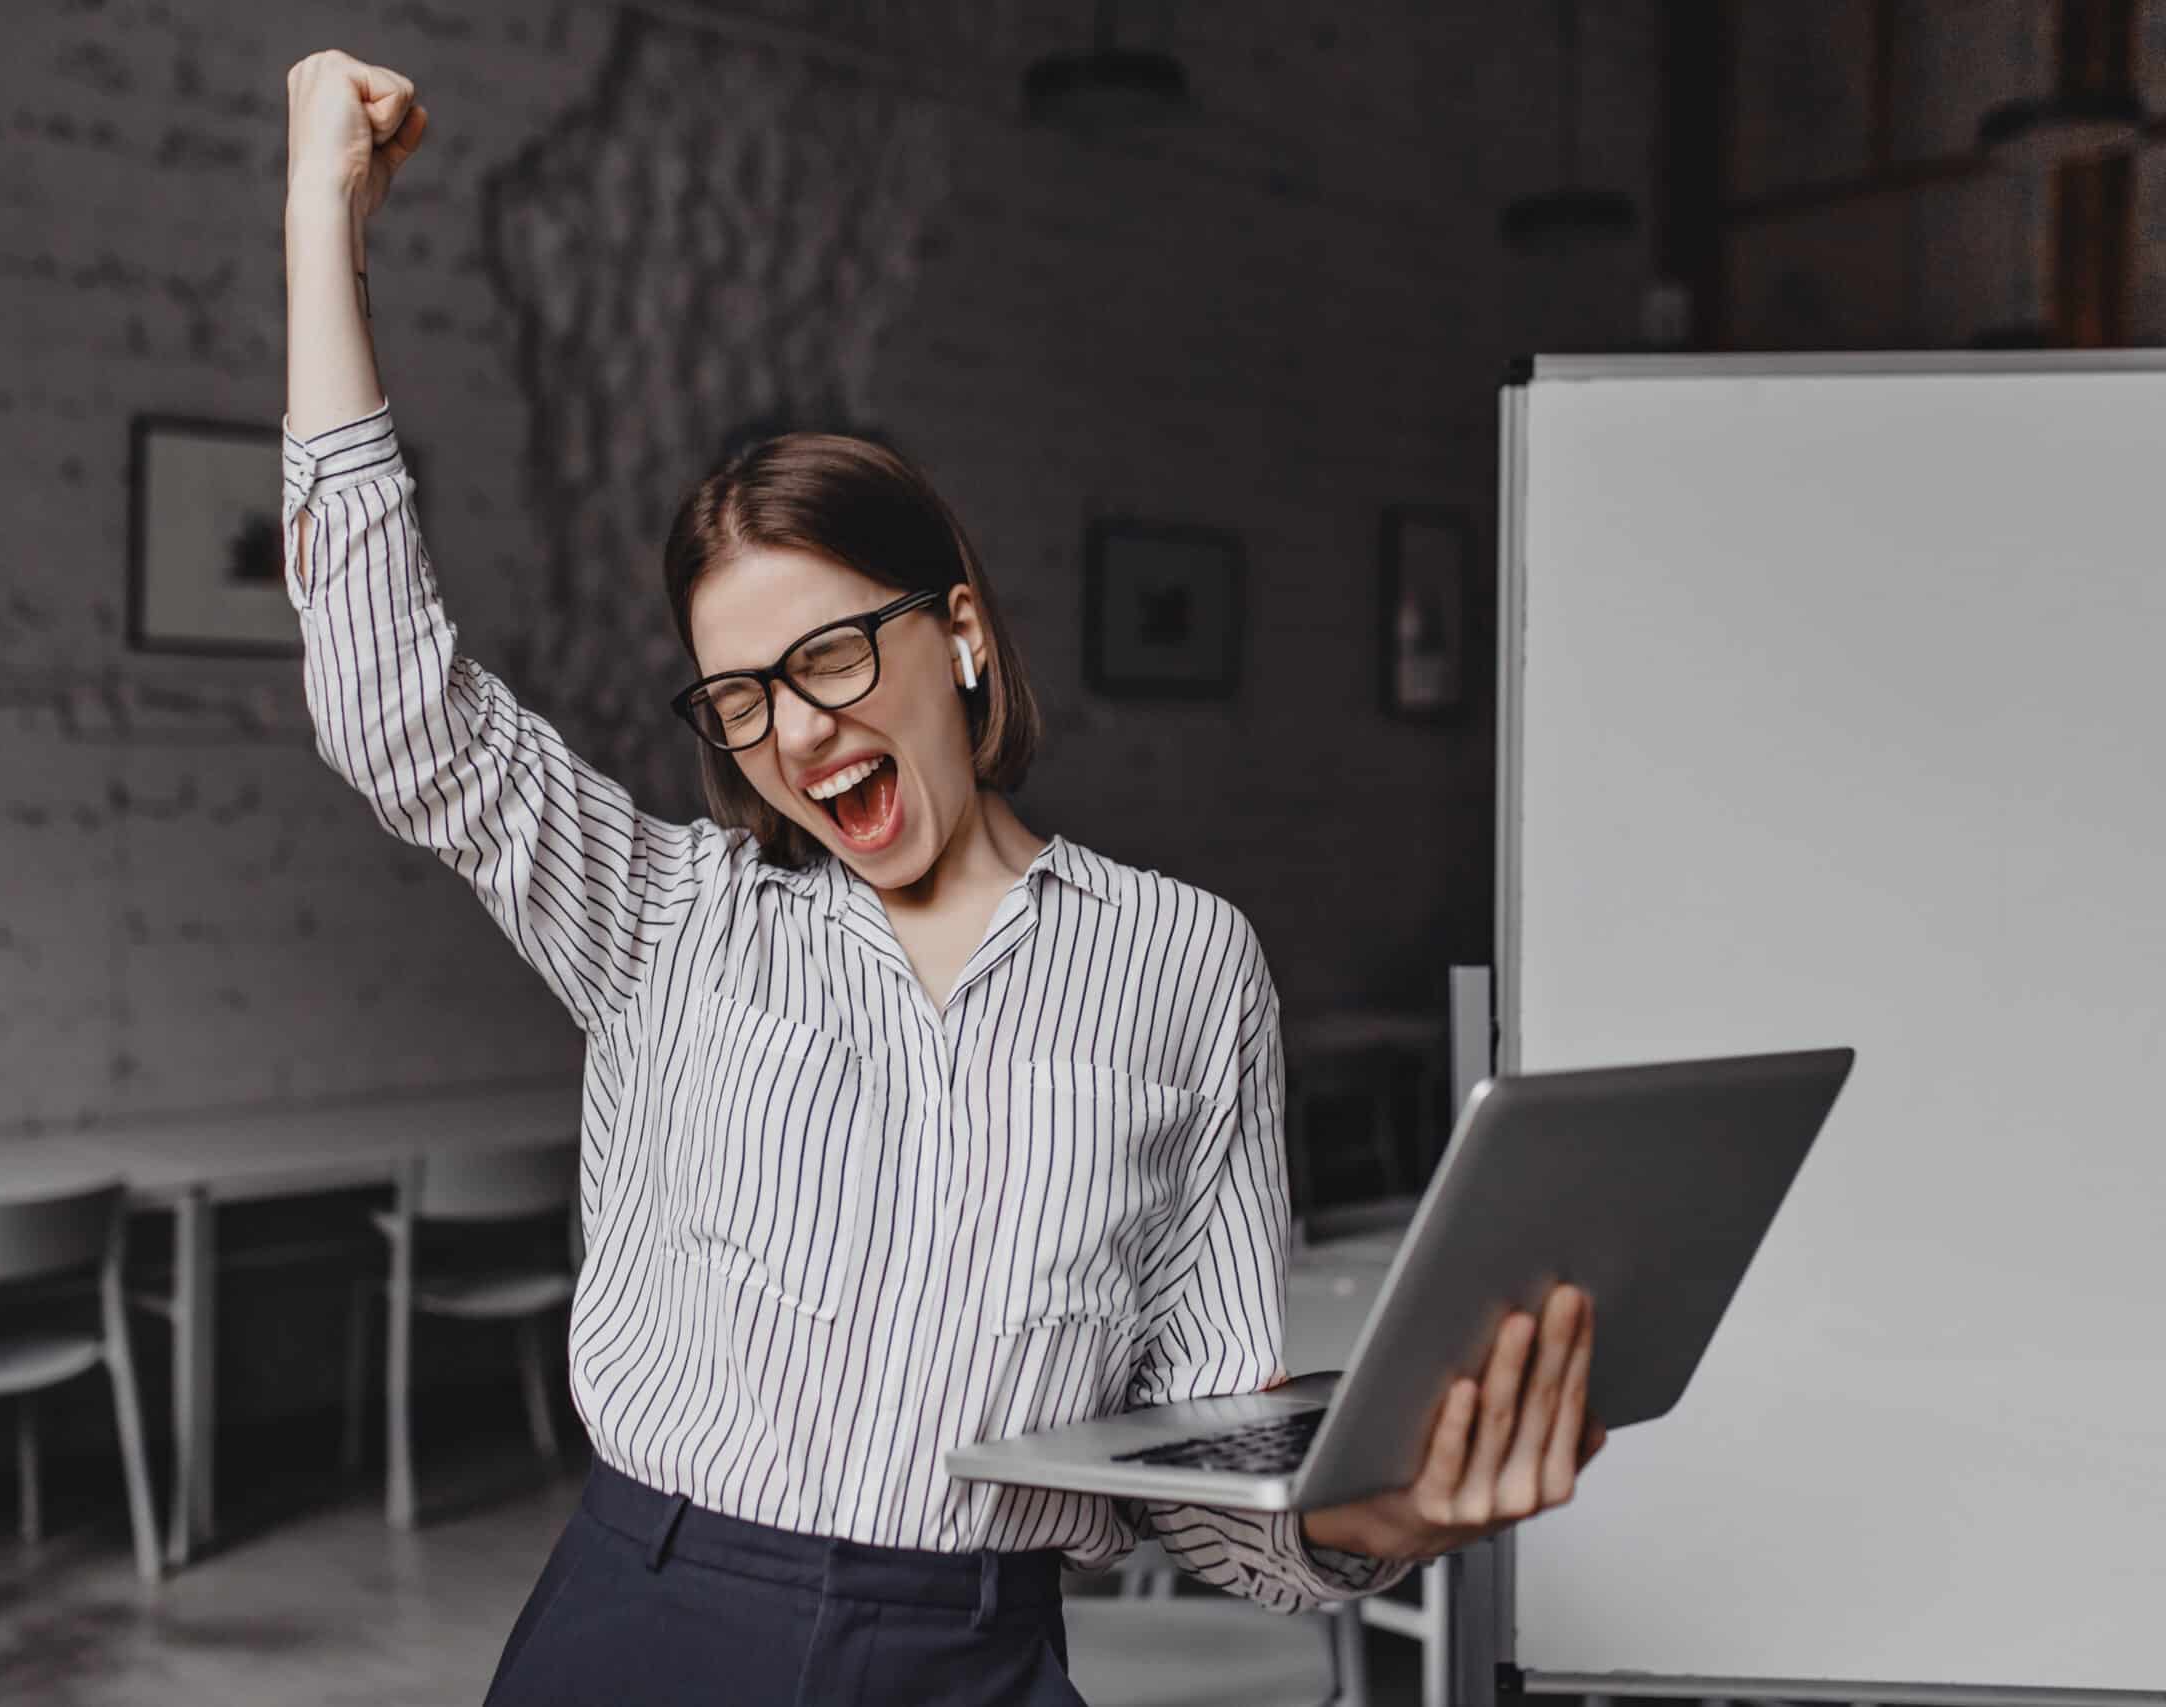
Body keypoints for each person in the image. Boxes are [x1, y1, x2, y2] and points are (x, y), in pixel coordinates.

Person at [280, 48, 1606, 1707]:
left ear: (960, 634)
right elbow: (397, 714)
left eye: (832, 654)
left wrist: (1386, 1512)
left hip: (976, 1654)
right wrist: (320, 215)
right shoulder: (669, 918)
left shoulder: (1186, 964)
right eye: (742, 695)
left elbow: (1214, 1490)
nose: (793, 727)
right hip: (654, 1620)